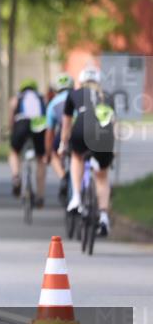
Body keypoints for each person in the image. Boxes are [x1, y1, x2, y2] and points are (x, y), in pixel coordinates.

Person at [60, 66, 116, 236]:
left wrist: (63, 144)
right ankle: (104, 216)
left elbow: (66, 125)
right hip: (104, 137)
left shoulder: (74, 94)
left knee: (76, 157)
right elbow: (113, 124)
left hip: (81, 132)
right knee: (102, 175)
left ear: (81, 81)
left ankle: (76, 197)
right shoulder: (107, 96)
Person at [8, 79, 47, 204]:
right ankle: (40, 196)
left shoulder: (17, 98)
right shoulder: (41, 98)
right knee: (41, 158)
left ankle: (15, 176)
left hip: (21, 123)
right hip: (39, 125)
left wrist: (11, 130)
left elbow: (11, 118)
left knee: (14, 152)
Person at [44, 72, 74, 202]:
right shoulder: (78, 97)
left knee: (54, 153)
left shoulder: (52, 104)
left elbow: (49, 133)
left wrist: (48, 153)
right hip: (82, 131)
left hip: (64, 133)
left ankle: (63, 177)